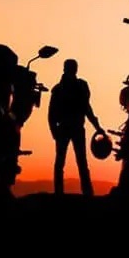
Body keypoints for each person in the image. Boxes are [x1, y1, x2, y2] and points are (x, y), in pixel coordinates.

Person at [48, 59, 105, 196]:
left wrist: (97, 126)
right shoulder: (60, 89)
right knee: (64, 162)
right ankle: (62, 193)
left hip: (74, 128)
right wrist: (54, 131)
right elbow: (52, 113)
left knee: (79, 162)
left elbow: (87, 108)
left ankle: (85, 192)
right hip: (67, 128)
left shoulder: (78, 86)